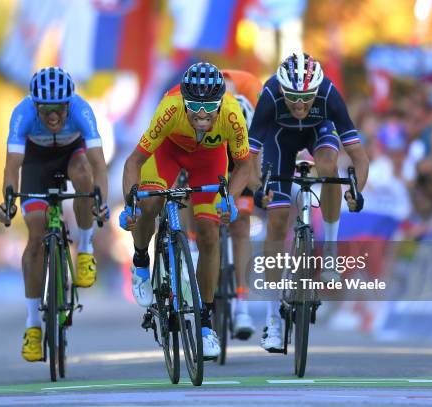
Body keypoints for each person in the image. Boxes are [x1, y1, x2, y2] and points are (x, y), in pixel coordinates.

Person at [119, 62, 251, 359]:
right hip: (168, 151)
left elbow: (245, 166)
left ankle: (205, 326)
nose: (202, 114)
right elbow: (134, 162)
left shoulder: (232, 114)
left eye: (209, 107)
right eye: (194, 106)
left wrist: (229, 199)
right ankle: (141, 262)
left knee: (209, 233)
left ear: (220, 103)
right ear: (184, 102)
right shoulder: (170, 108)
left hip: (209, 161)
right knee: (149, 202)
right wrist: (131, 203)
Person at [249, 52, 370, 352]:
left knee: (329, 167)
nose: (300, 105)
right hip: (280, 142)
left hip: (320, 132)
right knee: (276, 223)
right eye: (292, 98)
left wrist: (356, 191)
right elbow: (248, 158)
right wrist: (256, 189)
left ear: (317, 90)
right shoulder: (269, 95)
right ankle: (273, 320)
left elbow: (359, 157)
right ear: (281, 91)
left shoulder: (329, 93)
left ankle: (329, 250)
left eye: (306, 99)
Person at [0, 67, 109, 362]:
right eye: (46, 110)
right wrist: (8, 202)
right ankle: (33, 325)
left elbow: (99, 165)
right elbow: (12, 167)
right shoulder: (22, 114)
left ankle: (85, 248)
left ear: (68, 103)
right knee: (35, 238)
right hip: (35, 165)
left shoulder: (82, 110)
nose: (53, 116)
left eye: (58, 108)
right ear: (35, 105)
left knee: (85, 174)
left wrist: (101, 201)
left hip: (72, 156)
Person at [220, 69, 264, 340]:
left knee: (241, 224)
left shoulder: (253, 90)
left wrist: (263, 189)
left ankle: (241, 305)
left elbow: (256, 161)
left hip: (244, 153)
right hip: (207, 152)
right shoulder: (198, 99)